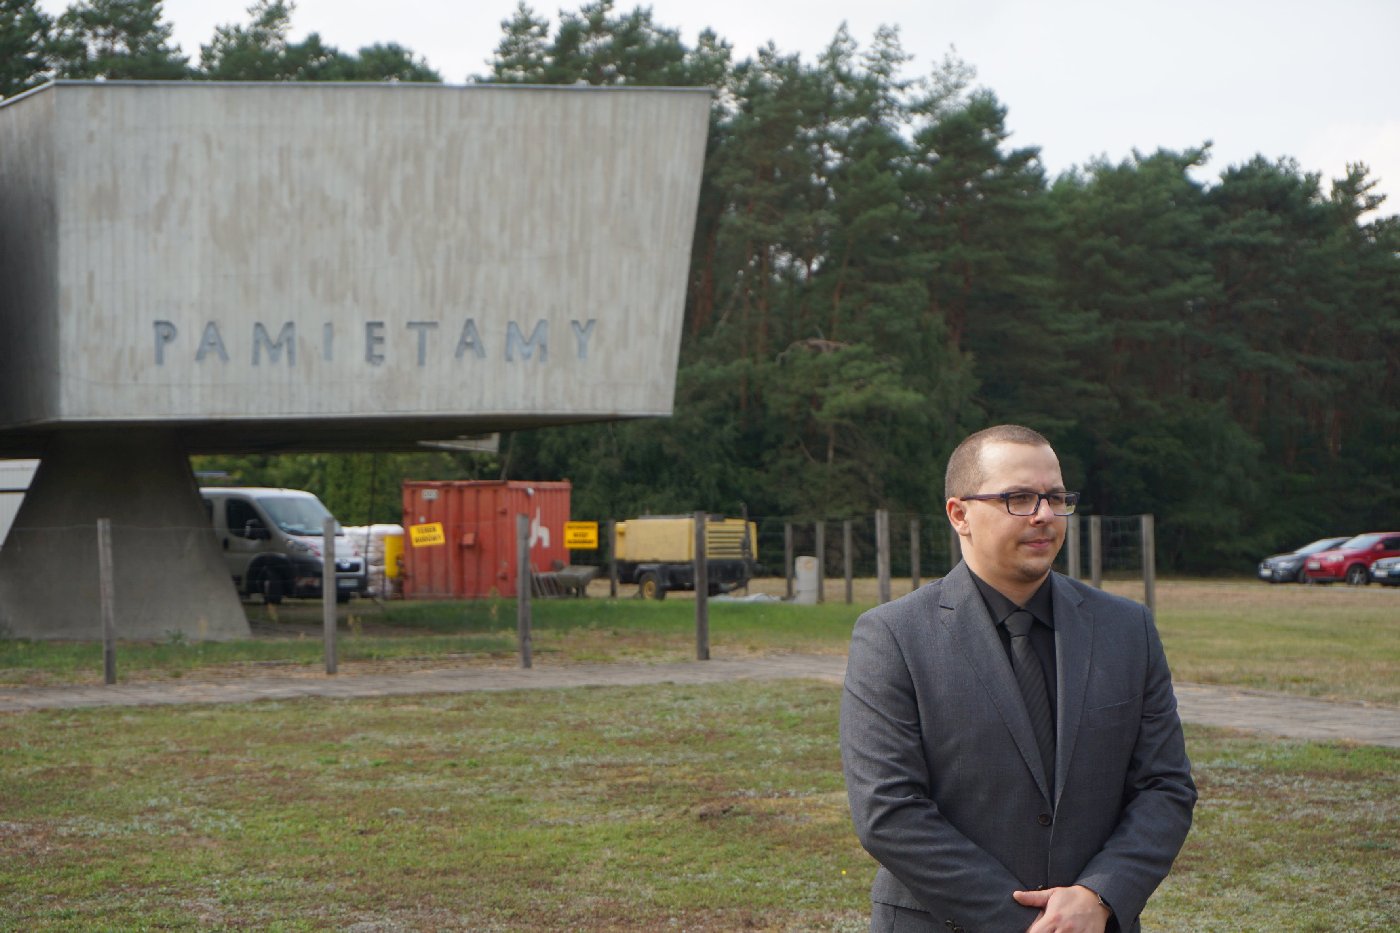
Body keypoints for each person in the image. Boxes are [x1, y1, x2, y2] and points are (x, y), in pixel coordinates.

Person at [840, 424, 1196, 933]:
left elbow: (1165, 786)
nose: (1044, 515)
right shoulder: (893, 636)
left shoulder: (1126, 629)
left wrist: (1100, 894)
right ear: (959, 514)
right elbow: (888, 810)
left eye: (1055, 497)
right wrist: (1030, 924)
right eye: (1019, 498)